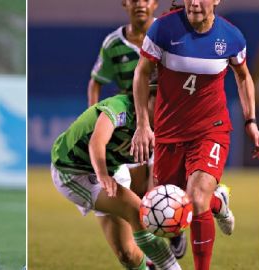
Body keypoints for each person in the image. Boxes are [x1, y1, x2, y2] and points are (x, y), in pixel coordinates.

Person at [130, 0, 259, 269]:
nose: (194, 2)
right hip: (169, 133)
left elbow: (243, 75)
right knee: (173, 201)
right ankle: (219, 202)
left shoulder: (231, 37)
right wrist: (143, 125)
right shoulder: (162, 29)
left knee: (196, 198)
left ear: (216, 1)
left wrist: (250, 120)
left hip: (210, 130)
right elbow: (142, 73)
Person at [87, 0, 187, 259]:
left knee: (160, 184)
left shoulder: (165, 35)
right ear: (125, 4)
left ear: (154, 4)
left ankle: (173, 228)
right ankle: (157, 241)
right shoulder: (113, 43)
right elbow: (95, 82)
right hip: (131, 123)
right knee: (138, 191)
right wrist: (94, 116)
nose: (140, 4)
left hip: (166, 120)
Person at [51, 83, 182, 270]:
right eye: (158, 101)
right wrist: (103, 175)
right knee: (138, 211)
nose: (163, 109)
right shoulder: (120, 107)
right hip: (74, 173)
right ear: (144, 97)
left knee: (127, 254)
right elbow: (97, 142)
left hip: (113, 169)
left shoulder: (163, 127)